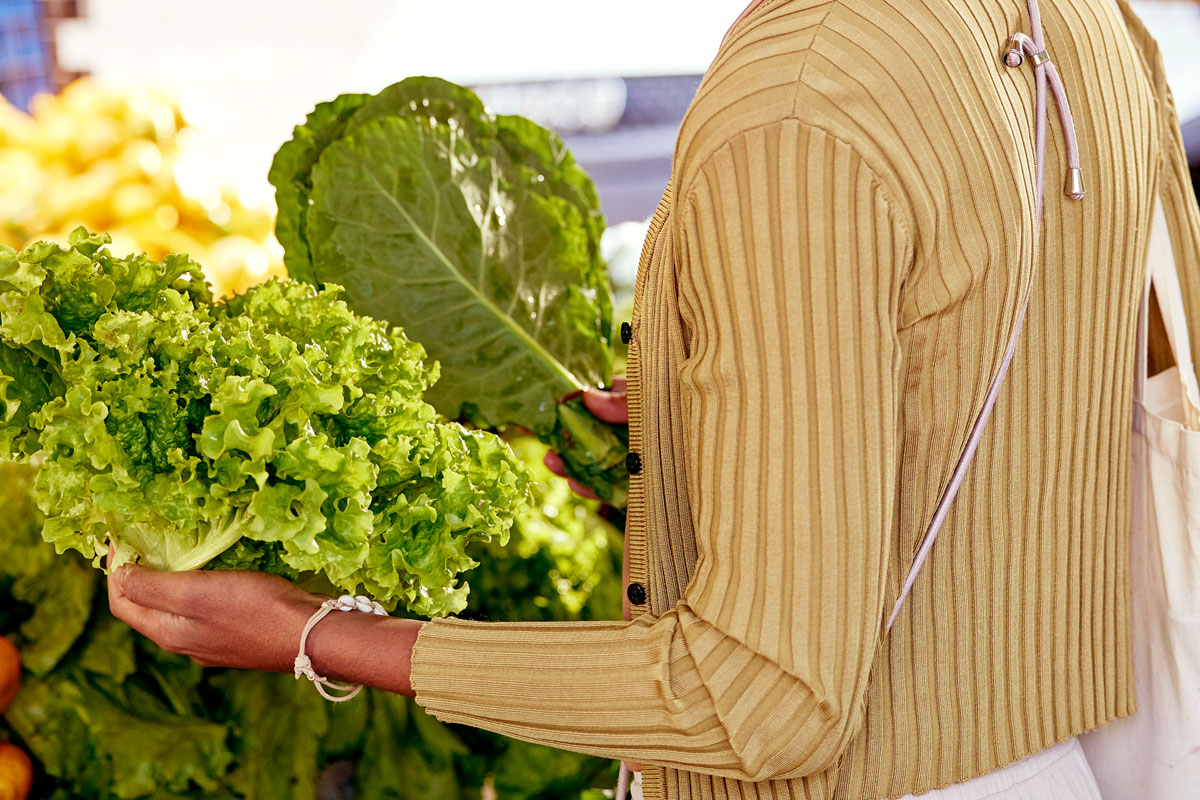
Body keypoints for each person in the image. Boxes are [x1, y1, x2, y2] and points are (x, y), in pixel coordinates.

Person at [108, 0, 1200, 797]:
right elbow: (1044, 373)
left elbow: (761, 695)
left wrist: (318, 634)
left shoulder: (798, 98)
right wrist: (721, 405)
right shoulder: (1086, 22)